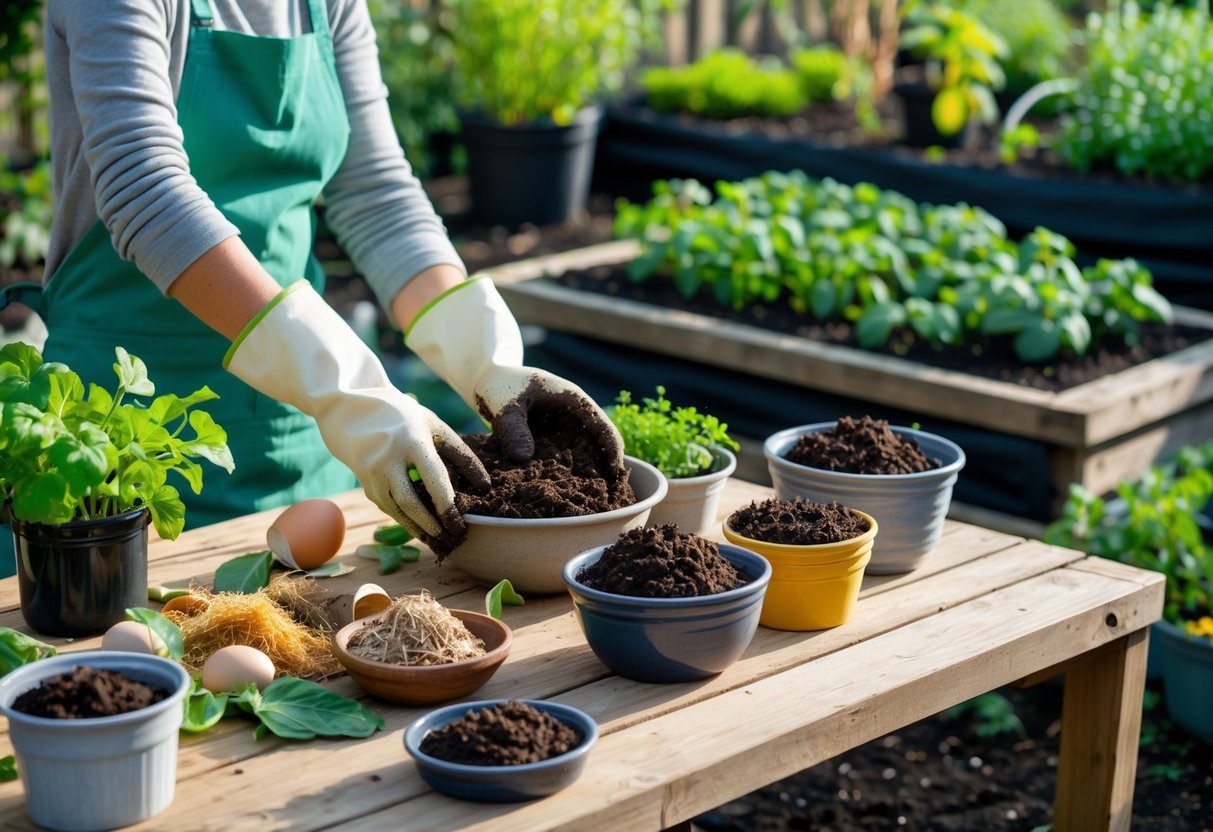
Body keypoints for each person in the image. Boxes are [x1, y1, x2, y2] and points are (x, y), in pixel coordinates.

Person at [7, 0, 623, 570]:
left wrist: (484, 359)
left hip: (295, 429)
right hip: (128, 438)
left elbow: (375, 195)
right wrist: (343, 388)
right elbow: (143, 186)